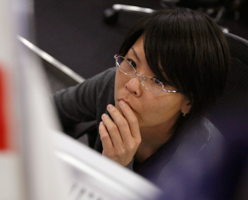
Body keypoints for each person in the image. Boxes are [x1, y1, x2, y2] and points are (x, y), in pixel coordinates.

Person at [53, 8, 230, 186]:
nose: (131, 85)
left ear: (189, 102)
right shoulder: (112, 81)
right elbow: (52, 108)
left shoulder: (205, 164)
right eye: (132, 62)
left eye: (157, 80)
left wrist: (118, 170)